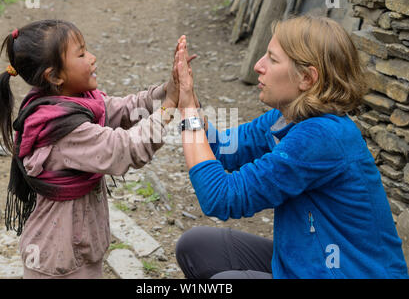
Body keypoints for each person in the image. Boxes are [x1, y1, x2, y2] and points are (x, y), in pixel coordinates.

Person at [173, 16, 409, 279]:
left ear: (307, 78)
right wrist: (189, 97)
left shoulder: (321, 137)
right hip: (307, 263)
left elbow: (221, 197)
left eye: (272, 60)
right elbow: (223, 148)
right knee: (197, 246)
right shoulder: (289, 117)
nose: (258, 66)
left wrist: (188, 115)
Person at [0, 19, 186, 278]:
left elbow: (124, 108)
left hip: (75, 247)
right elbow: (125, 149)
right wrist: (168, 108)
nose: (92, 58)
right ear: (55, 76)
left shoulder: (78, 101)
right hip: (58, 258)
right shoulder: (63, 128)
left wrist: (167, 90)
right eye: (81, 54)